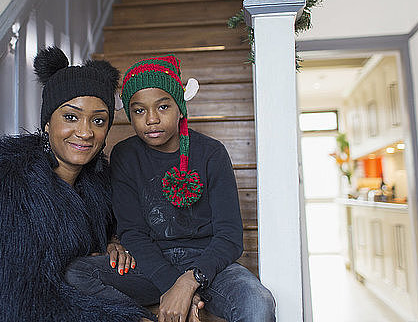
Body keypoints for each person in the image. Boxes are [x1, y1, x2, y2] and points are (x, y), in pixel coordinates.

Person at [0, 47, 150, 322]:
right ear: (47, 124)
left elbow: (118, 227)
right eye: (71, 117)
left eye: (98, 120)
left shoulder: (98, 182)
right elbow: (16, 303)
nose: (85, 132)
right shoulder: (6, 186)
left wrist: (114, 240)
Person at [65, 55, 276, 322]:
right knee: (77, 273)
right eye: (139, 110)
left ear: (180, 107)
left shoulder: (211, 153)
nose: (151, 119)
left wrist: (188, 284)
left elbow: (230, 237)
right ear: (129, 114)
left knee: (258, 301)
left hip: (209, 267)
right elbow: (133, 232)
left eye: (163, 107)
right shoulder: (125, 155)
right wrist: (171, 287)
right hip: (150, 265)